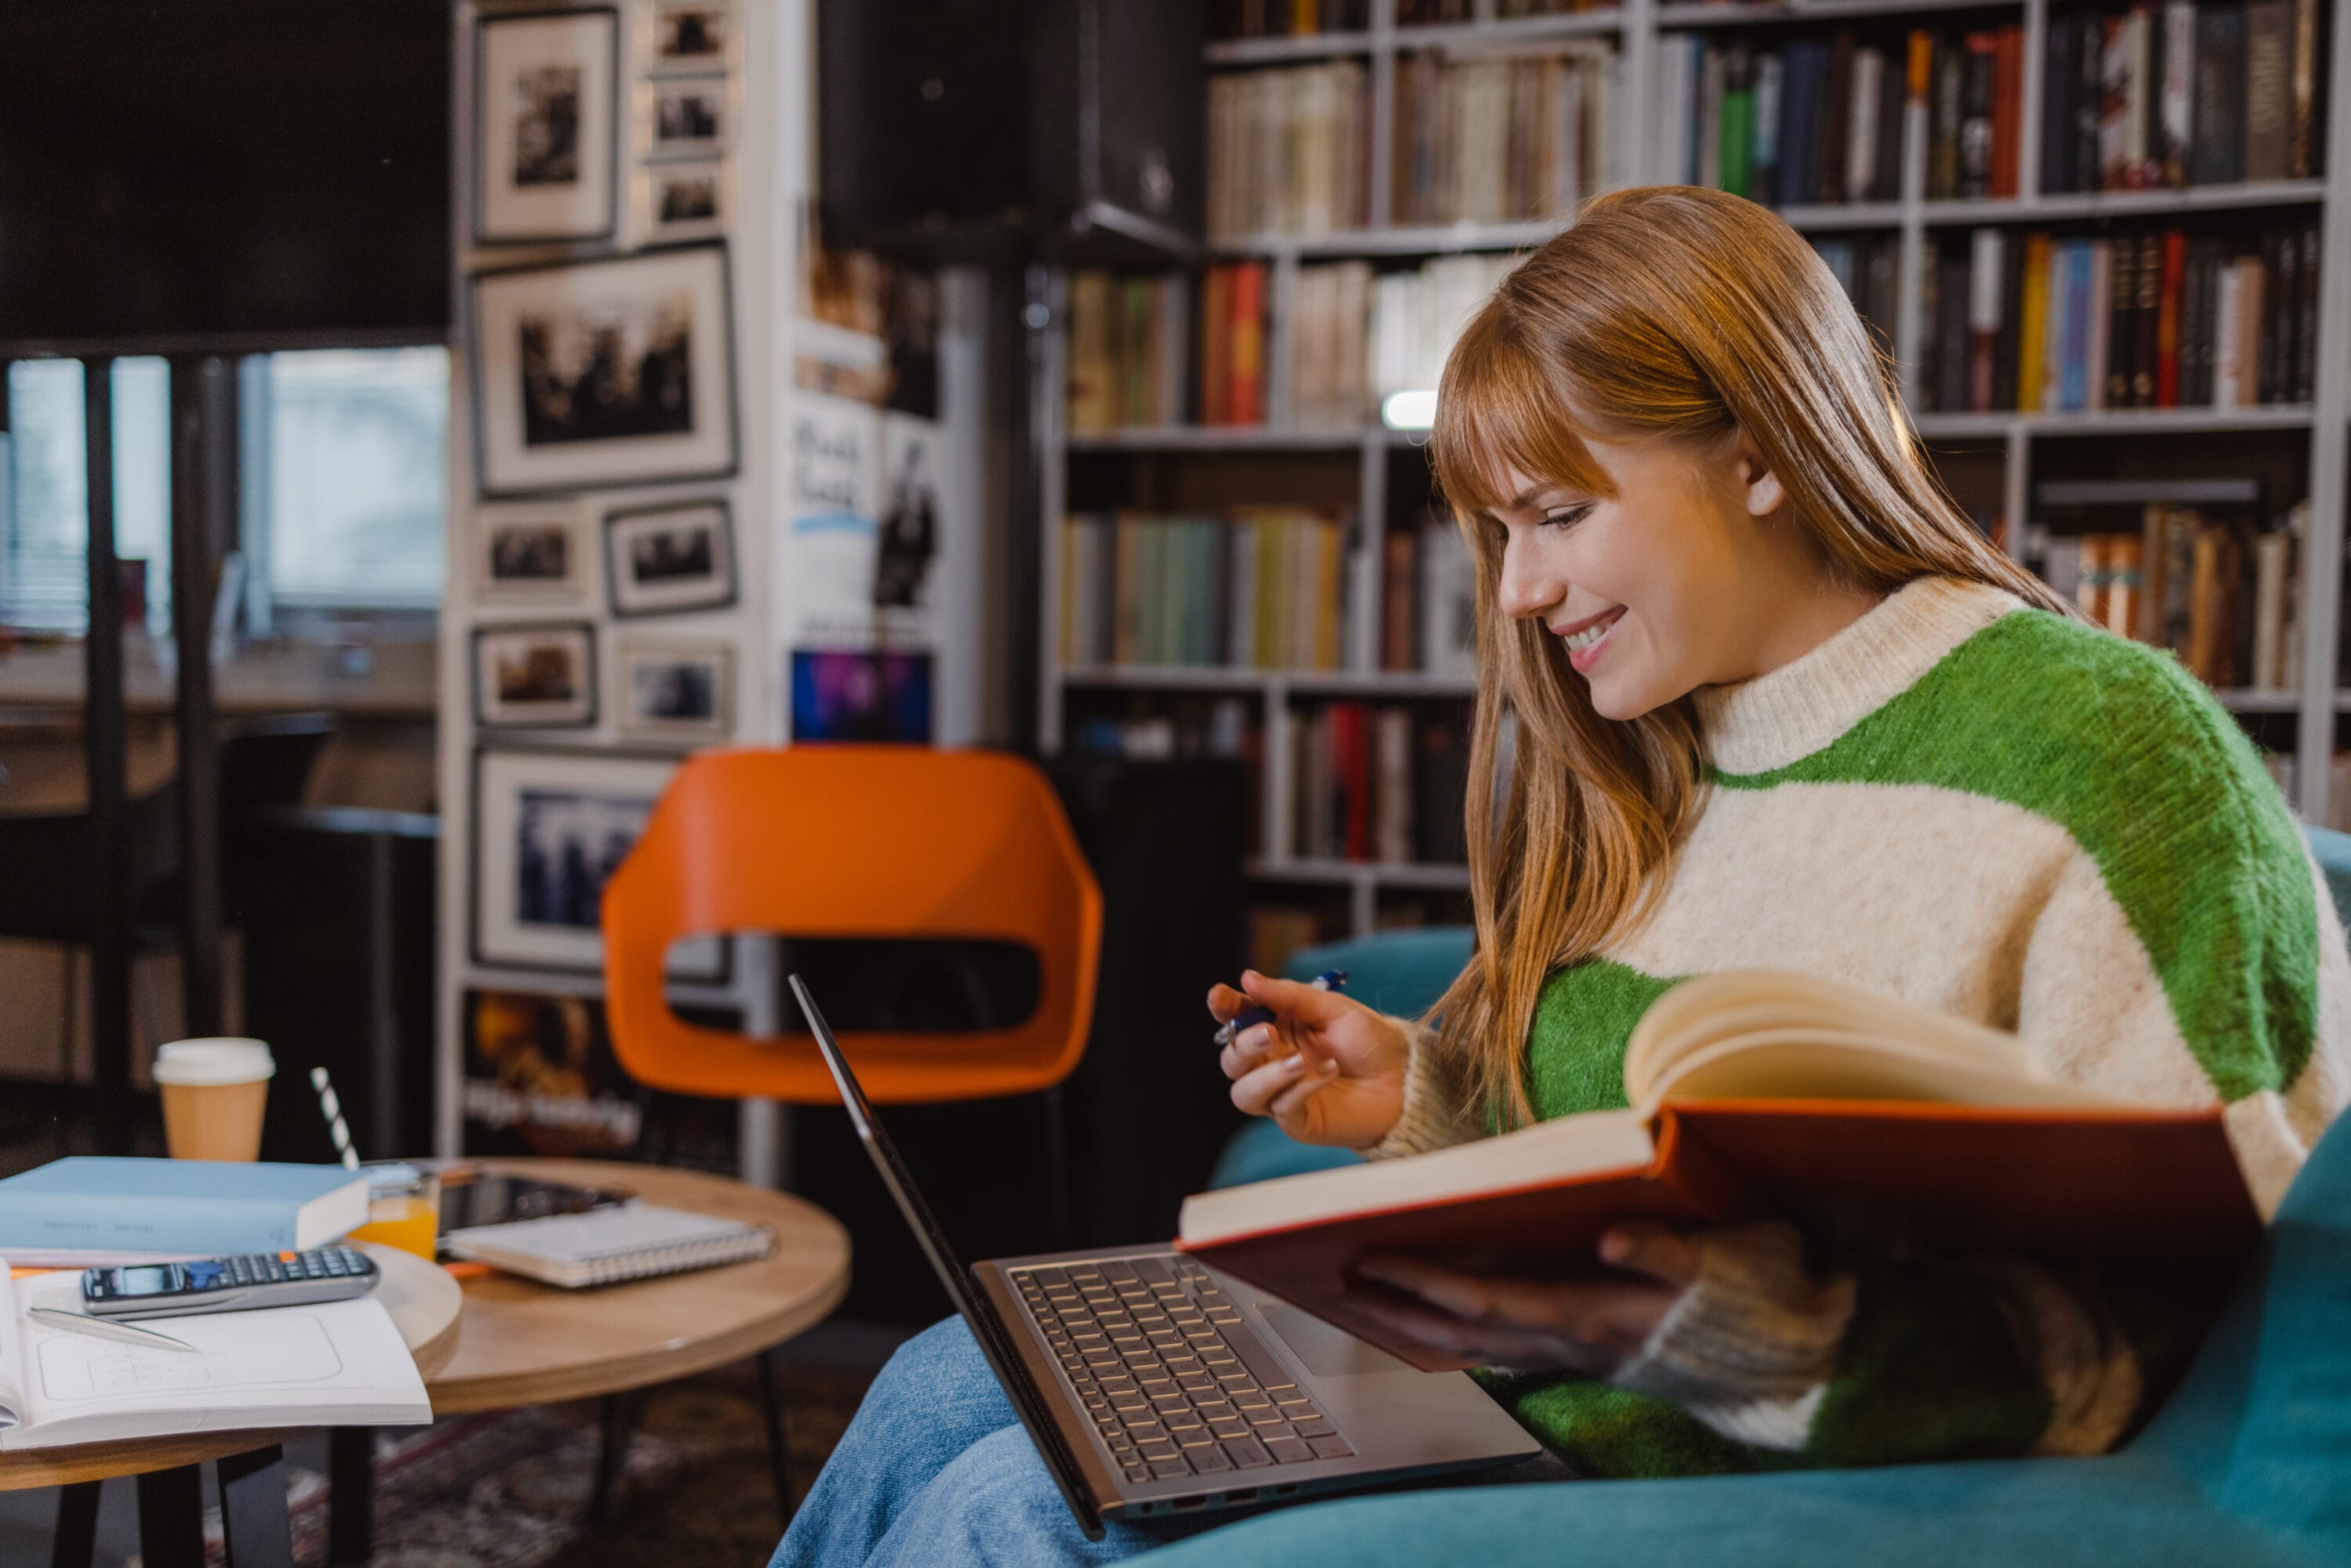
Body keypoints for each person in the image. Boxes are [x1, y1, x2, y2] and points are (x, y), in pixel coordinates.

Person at [769, 186, 2351, 1567]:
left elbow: (2143, 1340)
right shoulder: (1665, 746)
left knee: (1008, 1514)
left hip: (1699, 1458)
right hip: (1510, 1386)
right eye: (1495, 530)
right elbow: (1609, 1165)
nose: (1519, 591)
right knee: (940, 1375)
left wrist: (1701, 1330)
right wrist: (1430, 1091)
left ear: (1756, 452)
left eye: (1556, 513)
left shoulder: (2105, 754)